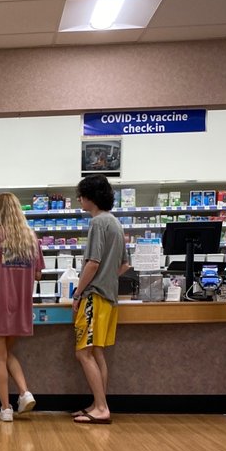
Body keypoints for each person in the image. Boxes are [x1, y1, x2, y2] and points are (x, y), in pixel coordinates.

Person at [0, 191, 44, 422]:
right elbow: (38, 275)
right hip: (22, 307)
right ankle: (24, 393)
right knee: (6, 353)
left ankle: (6, 409)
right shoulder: (30, 237)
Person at [71, 174, 130, 425]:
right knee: (97, 353)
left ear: (90, 197)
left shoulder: (97, 223)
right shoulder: (115, 223)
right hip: (108, 298)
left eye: (81, 196)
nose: (79, 200)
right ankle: (98, 404)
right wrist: (108, 278)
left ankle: (102, 408)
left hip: (94, 297)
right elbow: (125, 265)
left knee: (83, 353)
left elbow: (93, 263)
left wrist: (77, 293)